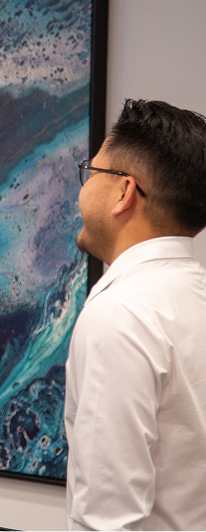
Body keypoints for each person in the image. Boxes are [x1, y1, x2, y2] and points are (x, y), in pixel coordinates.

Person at [65, 99, 206, 531]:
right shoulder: (193, 299)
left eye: (91, 173)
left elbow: (108, 519)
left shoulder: (120, 317)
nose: (81, 190)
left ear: (124, 192)